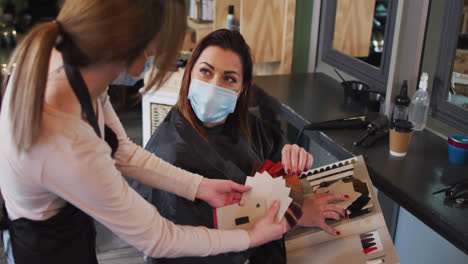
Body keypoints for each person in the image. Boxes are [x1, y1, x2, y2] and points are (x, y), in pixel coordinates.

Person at [0, 1, 286, 264]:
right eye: (161, 47)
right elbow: (158, 238)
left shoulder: (74, 63)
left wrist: (199, 186)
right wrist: (251, 238)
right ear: (137, 47)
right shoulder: (66, 144)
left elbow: (120, 149)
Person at [142, 29, 349, 264]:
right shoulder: (170, 153)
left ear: (241, 89)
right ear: (189, 74)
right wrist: (293, 215)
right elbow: (195, 246)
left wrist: (293, 166)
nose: (213, 86)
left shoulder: (248, 126)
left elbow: (277, 175)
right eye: (205, 72)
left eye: (229, 78)